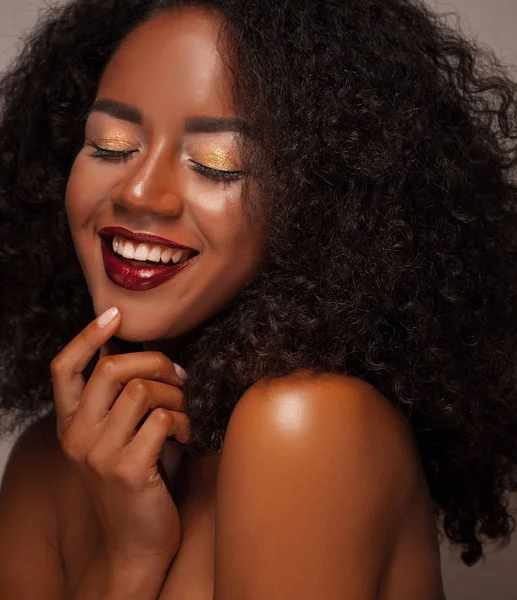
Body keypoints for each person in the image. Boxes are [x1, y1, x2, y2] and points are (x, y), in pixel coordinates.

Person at [0, 0, 516, 597]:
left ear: (320, 203)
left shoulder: (304, 424)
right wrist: (130, 554)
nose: (140, 192)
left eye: (218, 165)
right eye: (112, 146)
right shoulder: (53, 461)